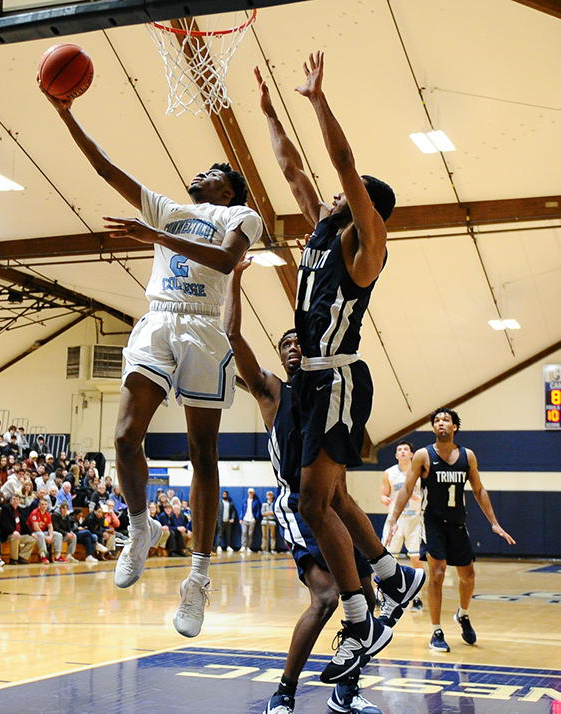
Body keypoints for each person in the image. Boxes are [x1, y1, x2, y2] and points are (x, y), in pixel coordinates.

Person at [41, 83, 264, 639]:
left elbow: (226, 258)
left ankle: (198, 580)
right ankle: (138, 527)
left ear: (231, 186)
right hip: (160, 318)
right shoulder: (167, 207)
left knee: (202, 454)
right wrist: (66, 115)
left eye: (214, 169)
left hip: (205, 327)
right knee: (122, 437)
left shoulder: (243, 215)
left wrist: (153, 235)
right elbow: (104, 168)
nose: (201, 173)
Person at [256, 52, 423, 683]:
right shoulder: (322, 234)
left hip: (339, 378)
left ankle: (360, 616)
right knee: (325, 500)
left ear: (361, 210)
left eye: (339, 198)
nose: (324, 197)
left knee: (311, 500)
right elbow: (293, 167)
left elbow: (342, 166)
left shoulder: (365, 247)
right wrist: (273, 112)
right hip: (309, 379)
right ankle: (391, 577)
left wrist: (321, 102)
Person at [226, 259, 380, 714]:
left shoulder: (332, 391)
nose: (294, 347)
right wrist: (234, 279)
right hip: (298, 506)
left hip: (334, 506)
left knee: (365, 600)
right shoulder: (273, 391)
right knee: (328, 596)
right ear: (281, 356)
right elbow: (234, 338)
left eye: (299, 341)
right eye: (286, 344)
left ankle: (345, 691)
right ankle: (285, 690)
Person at [386, 407, 515, 652]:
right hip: (433, 522)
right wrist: (393, 520)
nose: (441, 423)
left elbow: (479, 490)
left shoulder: (468, 456)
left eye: (446, 420)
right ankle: (436, 631)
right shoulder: (423, 455)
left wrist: (494, 523)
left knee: (468, 576)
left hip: (458, 523)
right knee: (437, 573)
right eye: (436, 421)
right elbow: (405, 490)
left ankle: (463, 615)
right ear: (434, 428)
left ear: (454, 427)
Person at [380, 440, 423, 611]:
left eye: (406, 449)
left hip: (415, 520)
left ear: (412, 454)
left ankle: (417, 598)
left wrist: (417, 498)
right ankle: (382, 595)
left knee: (416, 559)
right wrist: (385, 499)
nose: (403, 452)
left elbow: (426, 496)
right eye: (400, 450)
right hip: (394, 521)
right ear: (396, 455)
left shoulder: (420, 472)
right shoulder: (389, 473)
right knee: (387, 559)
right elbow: (383, 494)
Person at [0, 494, 36, 565]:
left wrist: (31, 533)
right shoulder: (6, 508)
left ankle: (21, 557)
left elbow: (23, 523)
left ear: (19, 501)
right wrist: (13, 531)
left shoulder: (19, 509)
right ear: (10, 501)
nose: (15, 501)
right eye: (14, 499)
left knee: (32, 540)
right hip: (8, 534)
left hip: (18, 534)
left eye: (17, 499)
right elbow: (5, 523)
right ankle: (13, 559)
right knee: (15, 537)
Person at [240, 487, 262, 554]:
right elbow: (242, 510)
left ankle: (249, 547)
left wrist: (256, 518)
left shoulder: (256, 501)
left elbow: (258, 510)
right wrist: (241, 518)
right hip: (245, 519)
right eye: (249, 492)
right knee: (244, 532)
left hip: (252, 519)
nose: (250, 494)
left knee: (250, 534)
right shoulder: (244, 501)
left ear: (253, 493)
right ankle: (243, 546)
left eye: (251, 492)